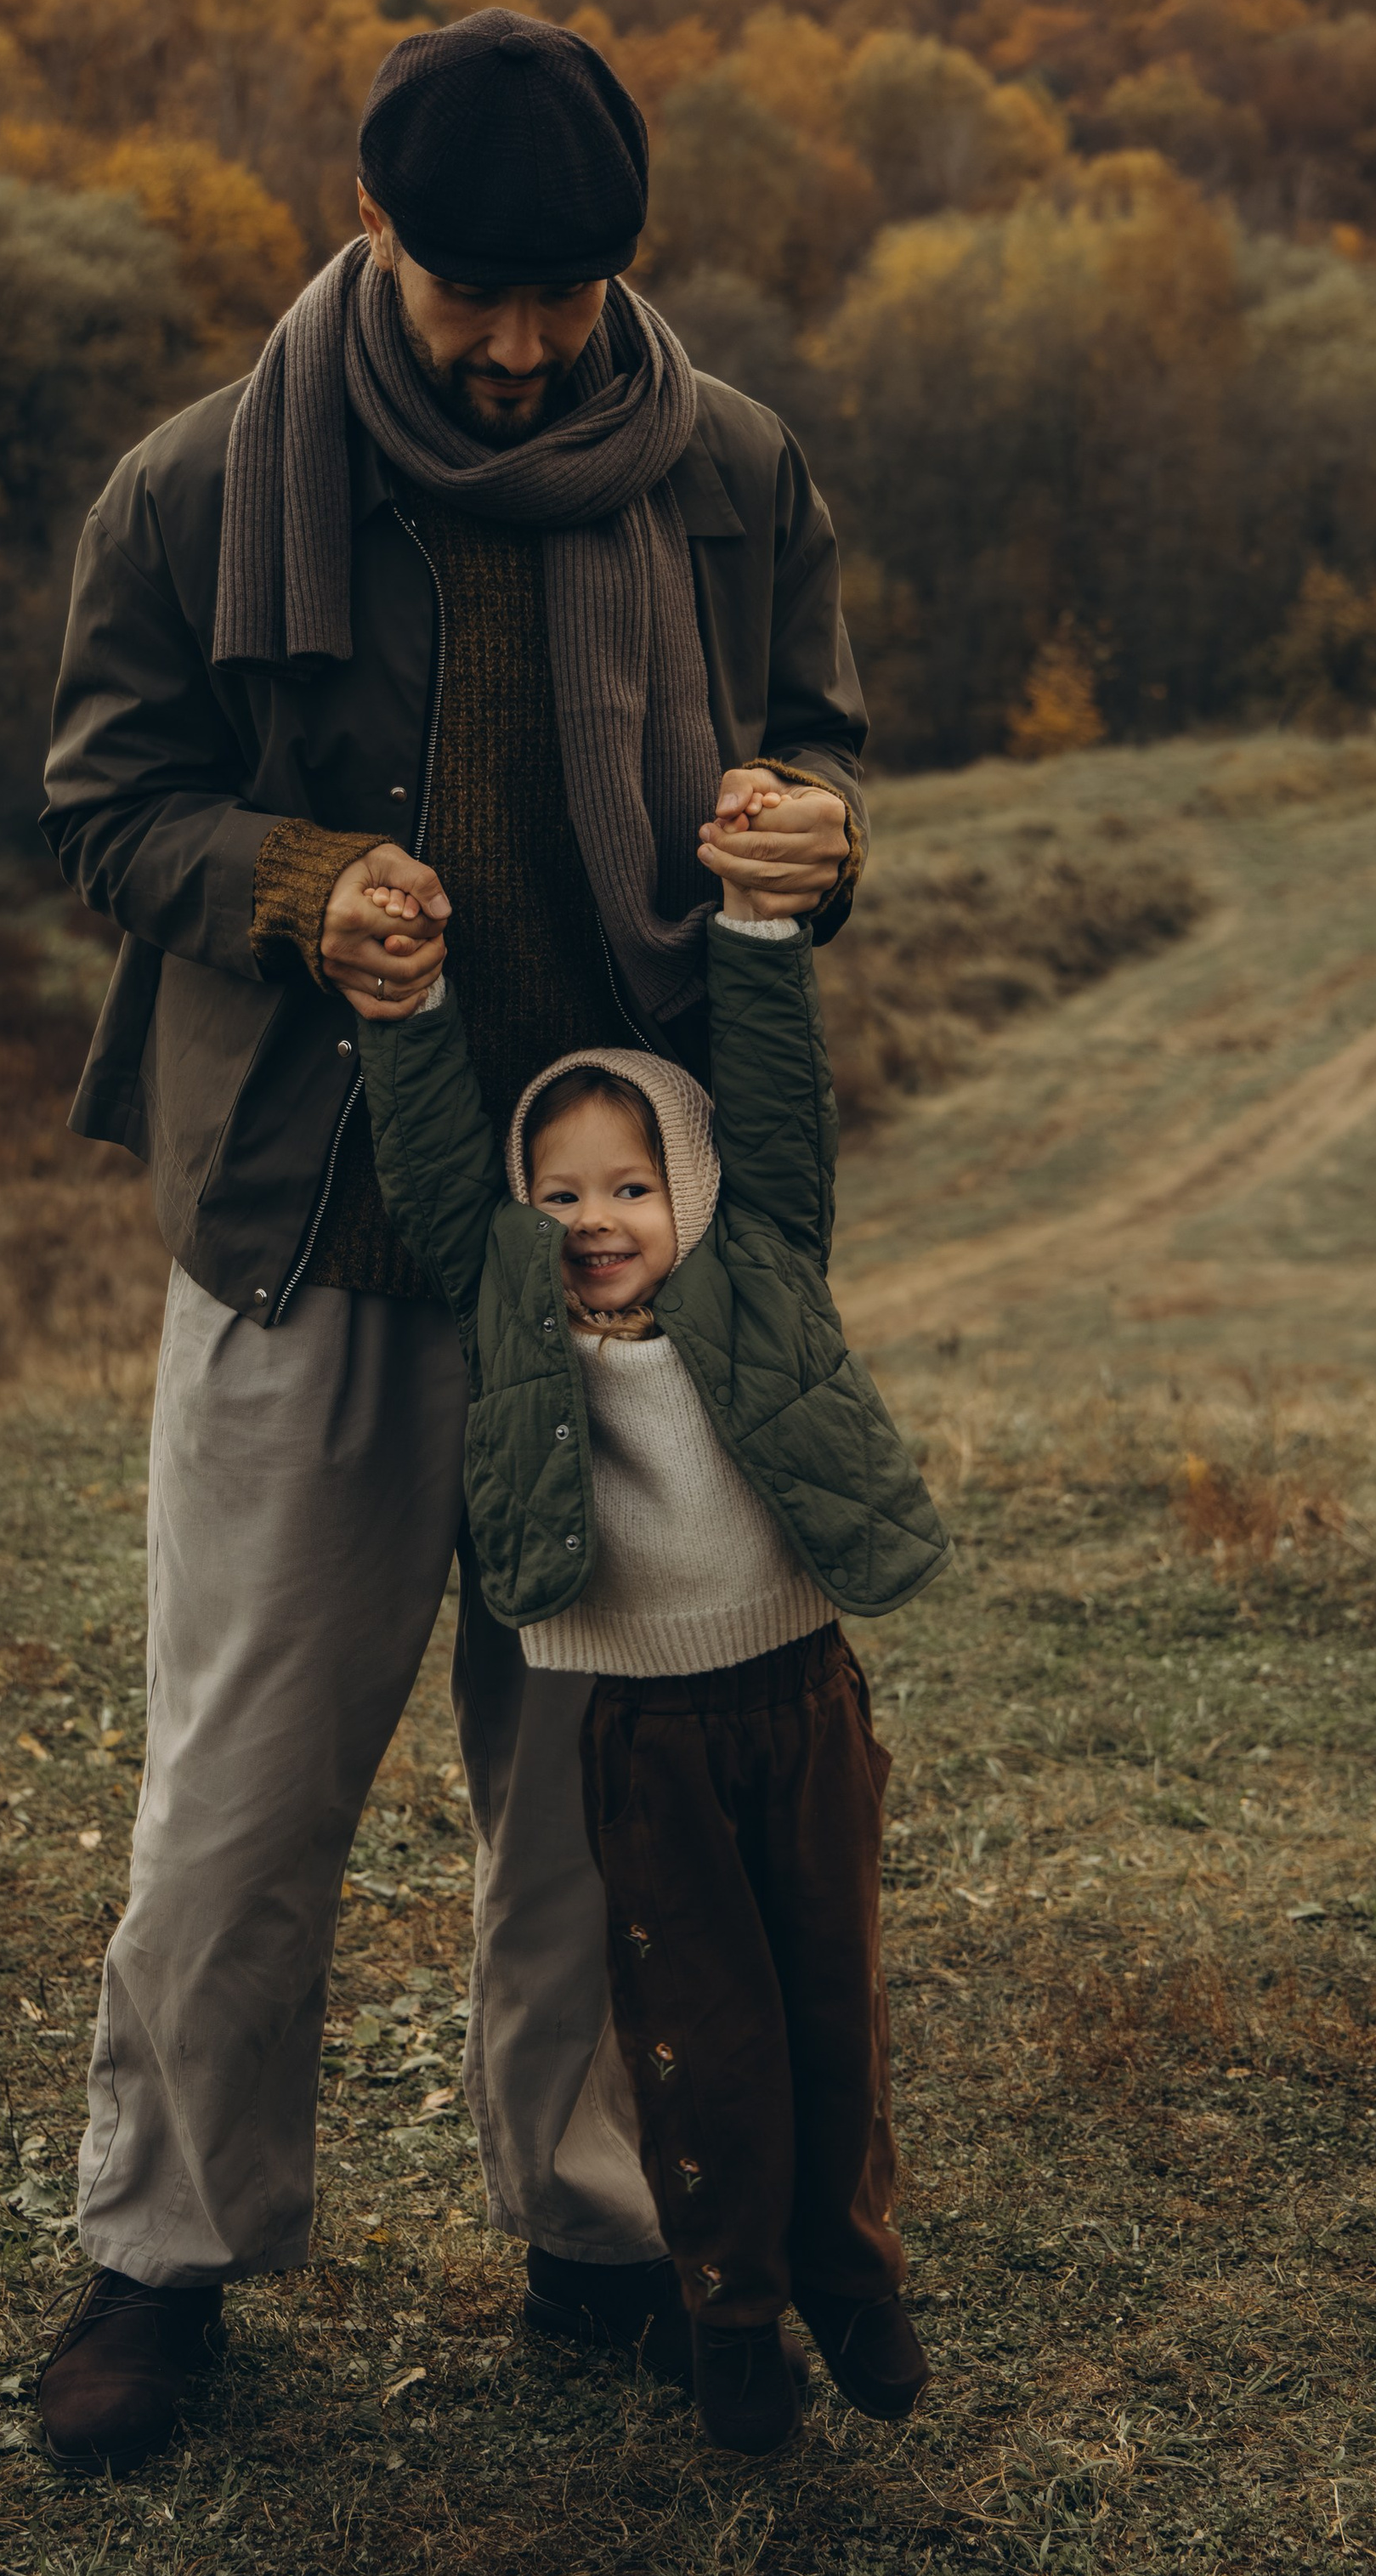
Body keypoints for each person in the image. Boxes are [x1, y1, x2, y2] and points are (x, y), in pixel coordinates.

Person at [37, 6, 874, 2470]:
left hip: (627, 1257)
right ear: (373, 229)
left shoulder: (730, 471)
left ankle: (608, 2229)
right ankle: (163, 2265)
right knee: (243, 1789)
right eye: (471, 295)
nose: (521, 351)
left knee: (601, 1792)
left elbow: (818, 742)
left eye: (568, 295)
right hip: (313, 1242)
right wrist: (290, 883)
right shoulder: (201, 489)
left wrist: (818, 836)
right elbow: (104, 803)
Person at [352, 813, 948, 2453]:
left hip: (801, 1697)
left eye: (629, 1184)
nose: (593, 1217)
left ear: (690, 1187)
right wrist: (404, 1018)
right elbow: (421, 1151)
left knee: (833, 1998)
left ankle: (851, 2276)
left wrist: (761, 929)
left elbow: (772, 1091)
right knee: (702, 2035)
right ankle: (732, 2315)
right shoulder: (507, 1295)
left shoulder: (764, 1259)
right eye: (558, 1189)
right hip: (643, 1736)